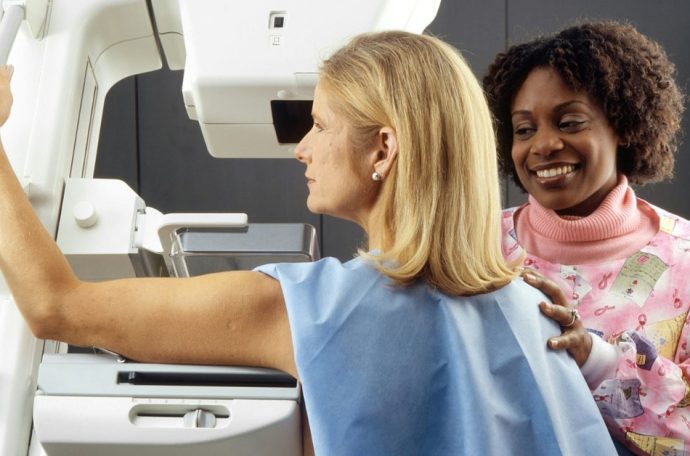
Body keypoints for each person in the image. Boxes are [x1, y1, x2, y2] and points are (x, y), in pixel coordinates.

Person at [0, 31, 614, 455]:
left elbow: (57, 307)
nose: (303, 148)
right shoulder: (532, 307)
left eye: (320, 125)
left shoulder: (307, 308)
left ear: (383, 148)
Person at [483, 21, 688, 455]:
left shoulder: (684, 258)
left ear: (624, 125)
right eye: (524, 129)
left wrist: (595, 360)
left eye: (570, 122)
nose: (543, 144)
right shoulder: (477, 244)